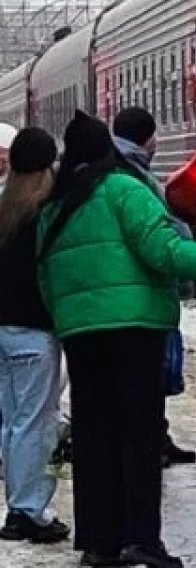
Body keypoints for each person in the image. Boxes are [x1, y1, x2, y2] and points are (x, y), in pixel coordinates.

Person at [38, 110, 196, 568]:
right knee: (138, 434)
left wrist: (67, 317)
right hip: (134, 331)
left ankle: (99, 543)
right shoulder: (124, 189)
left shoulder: (55, 205)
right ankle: (142, 539)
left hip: (82, 335)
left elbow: (45, 275)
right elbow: (161, 248)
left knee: (93, 436)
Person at [111, 106, 196, 469]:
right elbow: (162, 235)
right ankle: (147, 443)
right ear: (148, 139)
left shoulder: (112, 168)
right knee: (150, 373)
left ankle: (153, 437)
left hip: (123, 292)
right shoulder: (136, 177)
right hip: (143, 290)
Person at [0, 127, 69, 544]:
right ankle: (27, 510)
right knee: (38, 425)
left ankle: (17, 504)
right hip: (34, 334)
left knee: (12, 423)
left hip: (2, 331)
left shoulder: (3, 208)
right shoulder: (46, 215)